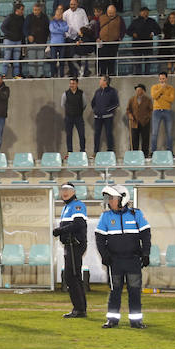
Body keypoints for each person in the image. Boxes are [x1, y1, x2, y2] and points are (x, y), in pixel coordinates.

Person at [96, 185, 151, 329]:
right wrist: (105, 255)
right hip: (115, 262)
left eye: (112, 198)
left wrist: (146, 254)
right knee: (115, 291)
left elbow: (146, 235)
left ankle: (136, 321)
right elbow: (99, 238)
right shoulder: (105, 216)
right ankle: (112, 320)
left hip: (133, 260)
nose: (109, 201)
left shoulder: (136, 214)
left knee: (135, 291)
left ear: (122, 199)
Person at [53, 182, 87, 318]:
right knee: (74, 276)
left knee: (72, 276)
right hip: (70, 245)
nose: (64, 192)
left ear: (74, 192)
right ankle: (80, 308)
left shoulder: (76, 205)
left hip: (75, 245)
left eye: (67, 190)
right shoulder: (67, 207)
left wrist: (59, 230)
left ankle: (79, 309)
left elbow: (79, 224)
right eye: (62, 190)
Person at [126, 7, 161, 75]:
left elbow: (158, 30)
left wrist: (153, 33)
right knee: (138, 61)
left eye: (147, 12)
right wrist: (133, 34)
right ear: (140, 13)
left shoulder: (152, 21)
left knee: (147, 61)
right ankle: (138, 74)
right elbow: (128, 31)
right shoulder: (135, 21)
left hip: (147, 44)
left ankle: (147, 74)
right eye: (144, 12)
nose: (145, 14)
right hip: (137, 44)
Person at [91, 75, 118, 154]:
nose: (100, 81)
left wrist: (107, 110)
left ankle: (110, 151)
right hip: (97, 117)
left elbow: (116, 104)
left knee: (109, 134)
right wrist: (95, 110)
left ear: (105, 82)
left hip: (108, 117)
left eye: (101, 80)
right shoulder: (97, 91)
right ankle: (95, 152)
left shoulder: (112, 91)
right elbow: (93, 103)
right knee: (96, 135)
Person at [151, 72, 175, 153]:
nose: (162, 80)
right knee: (155, 132)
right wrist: (161, 89)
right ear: (159, 79)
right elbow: (154, 96)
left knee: (169, 132)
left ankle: (170, 151)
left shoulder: (171, 88)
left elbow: (171, 100)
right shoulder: (154, 87)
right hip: (156, 111)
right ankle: (153, 151)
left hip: (167, 111)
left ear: (166, 79)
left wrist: (161, 96)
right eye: (160, 79)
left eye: (163, 78)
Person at [23, 3, 50, 78]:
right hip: (31, 42)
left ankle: (40, 74)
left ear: (40, 10)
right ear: (33, 10)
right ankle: (32, 74)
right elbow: (25, 28)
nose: (36, 11)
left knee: (41, 60)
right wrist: (28, 35)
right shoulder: (29, 17)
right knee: (31, 60)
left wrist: (45, 38)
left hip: (42, 42)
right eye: (35, 10)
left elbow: (47, 29)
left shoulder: (45, 17)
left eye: (38, 10)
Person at [97, 5, 125, 76]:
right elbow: (97, 28)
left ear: (115, 12)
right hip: (103, 41)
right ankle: (102, 72)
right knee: (102, 58)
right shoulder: (101, 18)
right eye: (109, 12)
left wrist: (120, 37)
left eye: (112, 13)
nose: (111, 14)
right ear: (107, 12)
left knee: (112, 58)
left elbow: (123, 29)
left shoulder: (119, 19)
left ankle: (111, 72)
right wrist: (97, 37)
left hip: (114, 41)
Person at [62, 77, 87, 153]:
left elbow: (84, 104)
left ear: (77, 84)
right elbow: (62, 104)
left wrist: (79, 111)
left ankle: (82, 150)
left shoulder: (81, 93)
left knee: (82, 134)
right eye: (70, 83)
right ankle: (69, 151)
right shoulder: (65, 94)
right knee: (69, 135)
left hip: (79, 117)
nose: (71, 85)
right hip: (69, 117)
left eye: (73, 83)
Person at [127, 83, 153, 156]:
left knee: (145, 139)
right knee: (134, 140)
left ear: (143, 91)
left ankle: (145, 155)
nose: (137, 91)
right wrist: (130, 115)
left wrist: (147, 117)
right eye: (136, 90)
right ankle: (135, 155)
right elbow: (128, 110)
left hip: (145, 122)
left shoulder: (148, 100)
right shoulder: (132, 99)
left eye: (139, 90)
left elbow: (151, 110)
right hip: (134, 122)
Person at [0, 3, 25, 79]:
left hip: (18, 41)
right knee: (7, 57)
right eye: (21, 9)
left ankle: (16, 75)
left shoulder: (22, 18)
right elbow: (3, 27)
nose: (22, 11)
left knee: (16, 59)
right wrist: (10, 34)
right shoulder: (10, 17)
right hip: (9, 40)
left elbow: (22, 30)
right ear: (17, 10)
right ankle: (3, 74)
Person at [48, 6, 69, 78]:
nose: (58, 16)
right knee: (53, 60)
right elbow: (52, 30)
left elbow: (66, 29)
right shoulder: (52, 22)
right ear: (55, 15)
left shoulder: (64, 22)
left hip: (62, 43)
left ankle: (61, 75)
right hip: (54, 43)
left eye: (60, 14)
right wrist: (61, 30)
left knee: (62, 60)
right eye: (57, 14)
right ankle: (53, 75)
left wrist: (58, 29)